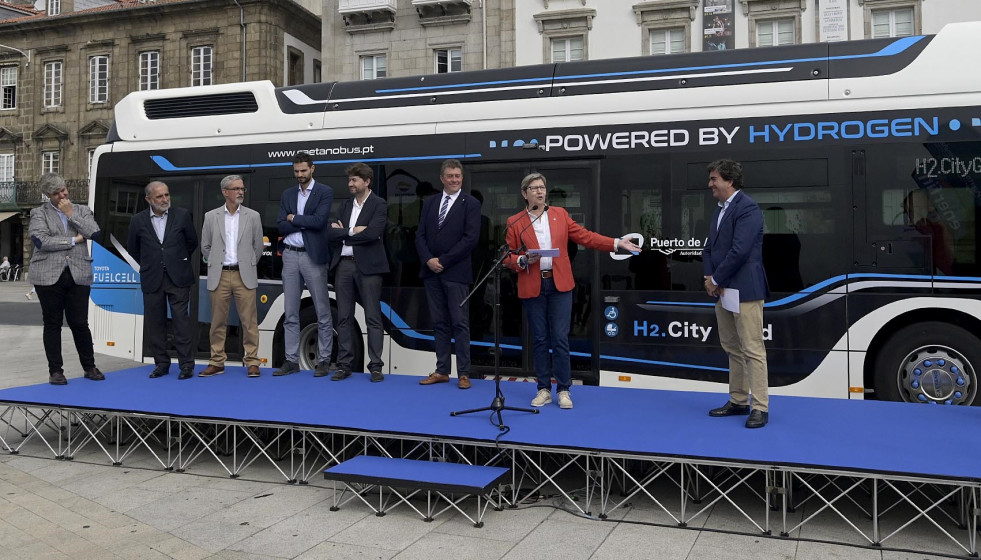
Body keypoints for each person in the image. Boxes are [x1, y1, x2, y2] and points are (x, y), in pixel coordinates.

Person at [505, 173, 642, 409]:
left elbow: (586, 237)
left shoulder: (559, 215)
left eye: (542, 187)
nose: (540, 191)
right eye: (534, 188)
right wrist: (523, 260)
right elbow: (508, 257)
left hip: (559, 285)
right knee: (539, 339)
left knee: (559, 339)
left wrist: (617, 243)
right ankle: (543, 388)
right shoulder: (516, 221)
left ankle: (564, 390)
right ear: (524, 193)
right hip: (533, 283)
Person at [703, 159, 771, 428]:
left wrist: (716, 278)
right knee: (732, 347)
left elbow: (740, 251)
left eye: (714, 179)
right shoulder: (719, 210)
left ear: (729, 181)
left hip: (745, 288)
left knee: (752, 348)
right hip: (723, 289)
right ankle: (739, 400)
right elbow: (708, 248)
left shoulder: (748, 208)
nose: (710, 184)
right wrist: (710, 278)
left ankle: (761, 407)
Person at [28, 173, 105, 385]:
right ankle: (56, 371)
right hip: (48, 276)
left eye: (63, 189)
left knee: (80, 322)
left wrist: (71, 214)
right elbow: (40, 241)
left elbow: (95, 233)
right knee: (52, 323)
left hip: (78, 274)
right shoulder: (38, 213)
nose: (63, 194)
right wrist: (73, 240)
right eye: (57, 193)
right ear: (48, 195)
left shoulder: (81, 210)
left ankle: (89, 367)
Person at [415, 159, 481, 389]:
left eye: (458, 176)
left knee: (460, 323)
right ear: (442, 178)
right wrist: (428, 260)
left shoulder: (470, 203)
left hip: (456, 273)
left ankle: (463, 373)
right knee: (439, 323)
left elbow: (471, 239)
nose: (454, 180)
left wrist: (443, 261)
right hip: (431, 273)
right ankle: (442, 370)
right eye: (450, 176)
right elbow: (419, 235)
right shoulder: (430, 203)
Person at [127, 181, 199, 380]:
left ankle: (186, 365)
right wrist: (152, 263)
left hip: (178, 276)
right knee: (155, 323)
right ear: (149, 199)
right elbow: (133, 248)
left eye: (167, 195)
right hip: (152, 277)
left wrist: (175, 260)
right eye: (159, 196)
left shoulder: (182, 215)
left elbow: (191, 242)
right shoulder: (137, 220)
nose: (165, 199)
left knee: (181, 322)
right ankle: (161, 364)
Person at [328, 163, 389, 383]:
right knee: (343, 317)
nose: (350, 184)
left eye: (354, 180)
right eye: (350, 180)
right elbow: (330, 233)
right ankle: (344, 365)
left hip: (369, 268)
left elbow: (373, 233)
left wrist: (342, 232)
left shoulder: (379, 204)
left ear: (367, 181)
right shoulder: (344, 205)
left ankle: (376, 366)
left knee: (373, 317)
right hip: (343, 265)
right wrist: (352, 231)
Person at [200, 175, 264, 379]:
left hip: (244, 274)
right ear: (225, 192)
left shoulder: (253, 216)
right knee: (217, 322)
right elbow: (205, 246)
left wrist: (248, 263)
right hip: (220, 275)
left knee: (249, 322)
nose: (240, 192)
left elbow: (258, 246)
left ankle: (252, 362)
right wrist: (217, 261)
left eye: (242, 188)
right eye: (236, 188)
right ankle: (217, 361)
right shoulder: (211, 216)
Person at [275, 152, 334, 376]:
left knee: (322, 310)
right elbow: (280, 225)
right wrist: (301, 222)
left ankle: (324, 360)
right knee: (290, 311)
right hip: (290, 255)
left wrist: (294, 218)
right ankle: (291, 361)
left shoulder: (324, 192)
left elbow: (319, 222)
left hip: (312, 256)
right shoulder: (287, 193)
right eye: (296, 171)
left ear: (312, 169)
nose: (300, 175)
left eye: (303, 171)